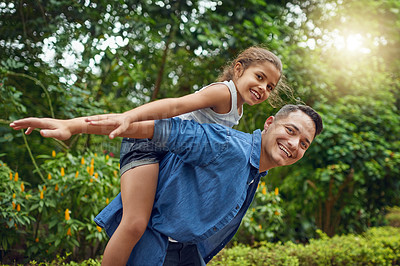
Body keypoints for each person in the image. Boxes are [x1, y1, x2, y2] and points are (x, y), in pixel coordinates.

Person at [10, 104, 323, 265]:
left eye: (304, 143)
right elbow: (154, 127)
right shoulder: (229, 146)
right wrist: (73, 126)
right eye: (291, 130)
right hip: (151, 248)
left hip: (183, 254)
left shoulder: (254, 169)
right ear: (269, 123)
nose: (294, 143)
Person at [83, 47, 287, 265]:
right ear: (238, 69)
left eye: (270, 87)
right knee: (134, 223)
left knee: (150, 219)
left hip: (169, 152)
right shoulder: (224, 93)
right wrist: (128, 118)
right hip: (148, 143)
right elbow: (175, 105)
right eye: (259, 77)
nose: (263, 88)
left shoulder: (237, 108)